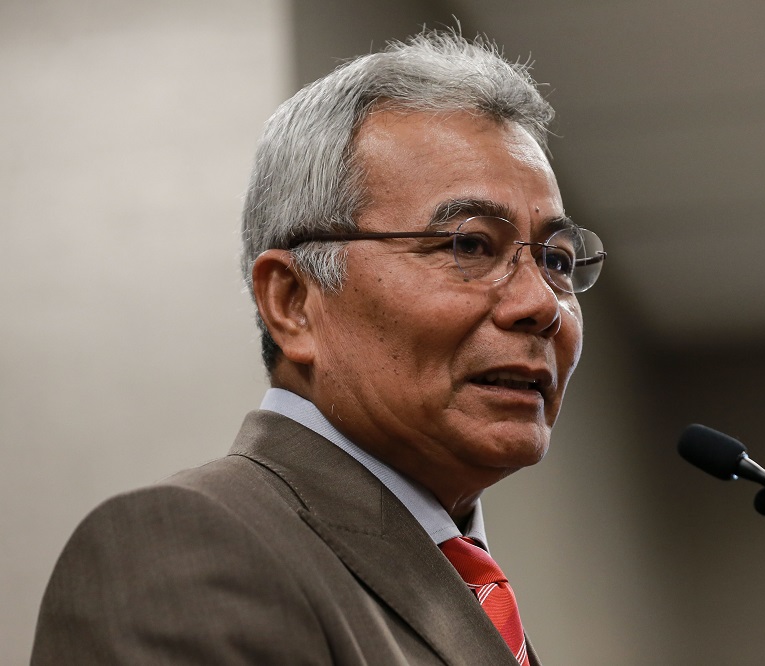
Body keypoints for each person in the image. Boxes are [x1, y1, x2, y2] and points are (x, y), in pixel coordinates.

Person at [31, 29, 605, 665]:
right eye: (468, 246)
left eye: (556, 259)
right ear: (293, 301)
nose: (540, 304)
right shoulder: (187, 548)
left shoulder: (471, 593)